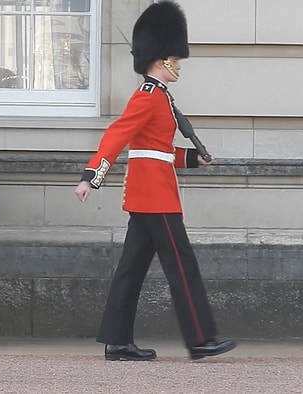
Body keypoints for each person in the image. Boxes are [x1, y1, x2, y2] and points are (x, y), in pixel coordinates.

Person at [74, 1, 236, 361]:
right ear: (162, 58)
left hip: (151, 193)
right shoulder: (147, 97)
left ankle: (117, 340)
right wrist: (92, 177)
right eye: (175, 59)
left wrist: (193, 159)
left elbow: (159, 151)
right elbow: (117, 136)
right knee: (183, 264)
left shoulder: (160, 98)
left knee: (130, 269)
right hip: (156, 197)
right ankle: (200, 338)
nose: (179, 64)